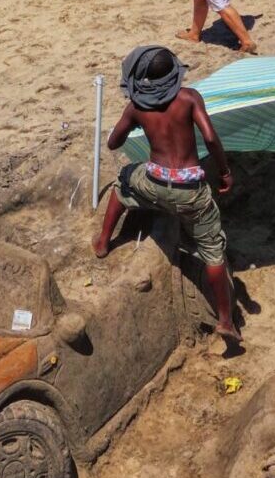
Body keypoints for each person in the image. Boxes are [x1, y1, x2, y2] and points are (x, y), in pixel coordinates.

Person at [91, 45, 240, 346]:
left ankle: (104, 242)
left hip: (154, 183)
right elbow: (210, 138)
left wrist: (134, 120)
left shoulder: (136, 107)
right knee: (212, 250)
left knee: (123, 185)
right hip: (192, 192)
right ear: (174, 72)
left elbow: (112, 142)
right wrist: (224, 172)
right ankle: (225, 320)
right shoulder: (188, 98)